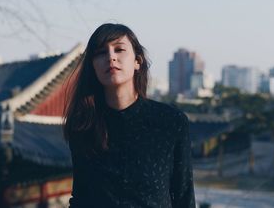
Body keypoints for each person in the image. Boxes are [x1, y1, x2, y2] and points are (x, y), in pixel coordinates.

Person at [63, 23, 195, 208]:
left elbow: (184, 196)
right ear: (92, 66)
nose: (111, 57)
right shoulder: (84, 125)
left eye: (119, 49)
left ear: (137, 61)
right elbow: (81, 197)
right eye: (101, 52)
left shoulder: (171, 122)